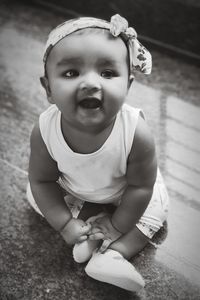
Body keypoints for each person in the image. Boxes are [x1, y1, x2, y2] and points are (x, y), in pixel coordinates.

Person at [27, 14, 169, 292]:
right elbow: (42, 181)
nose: (91, 83)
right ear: (48, 89)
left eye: (107, 73)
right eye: (71, 73)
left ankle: (114, 253)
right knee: (36, 195)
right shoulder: (45, 129)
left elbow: (141, 187)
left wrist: (118, 225)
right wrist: (64, 224)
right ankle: (85, 229)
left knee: (156, 207)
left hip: (128, 193)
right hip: (79, 189)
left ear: (127, 85)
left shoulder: (136, 133)